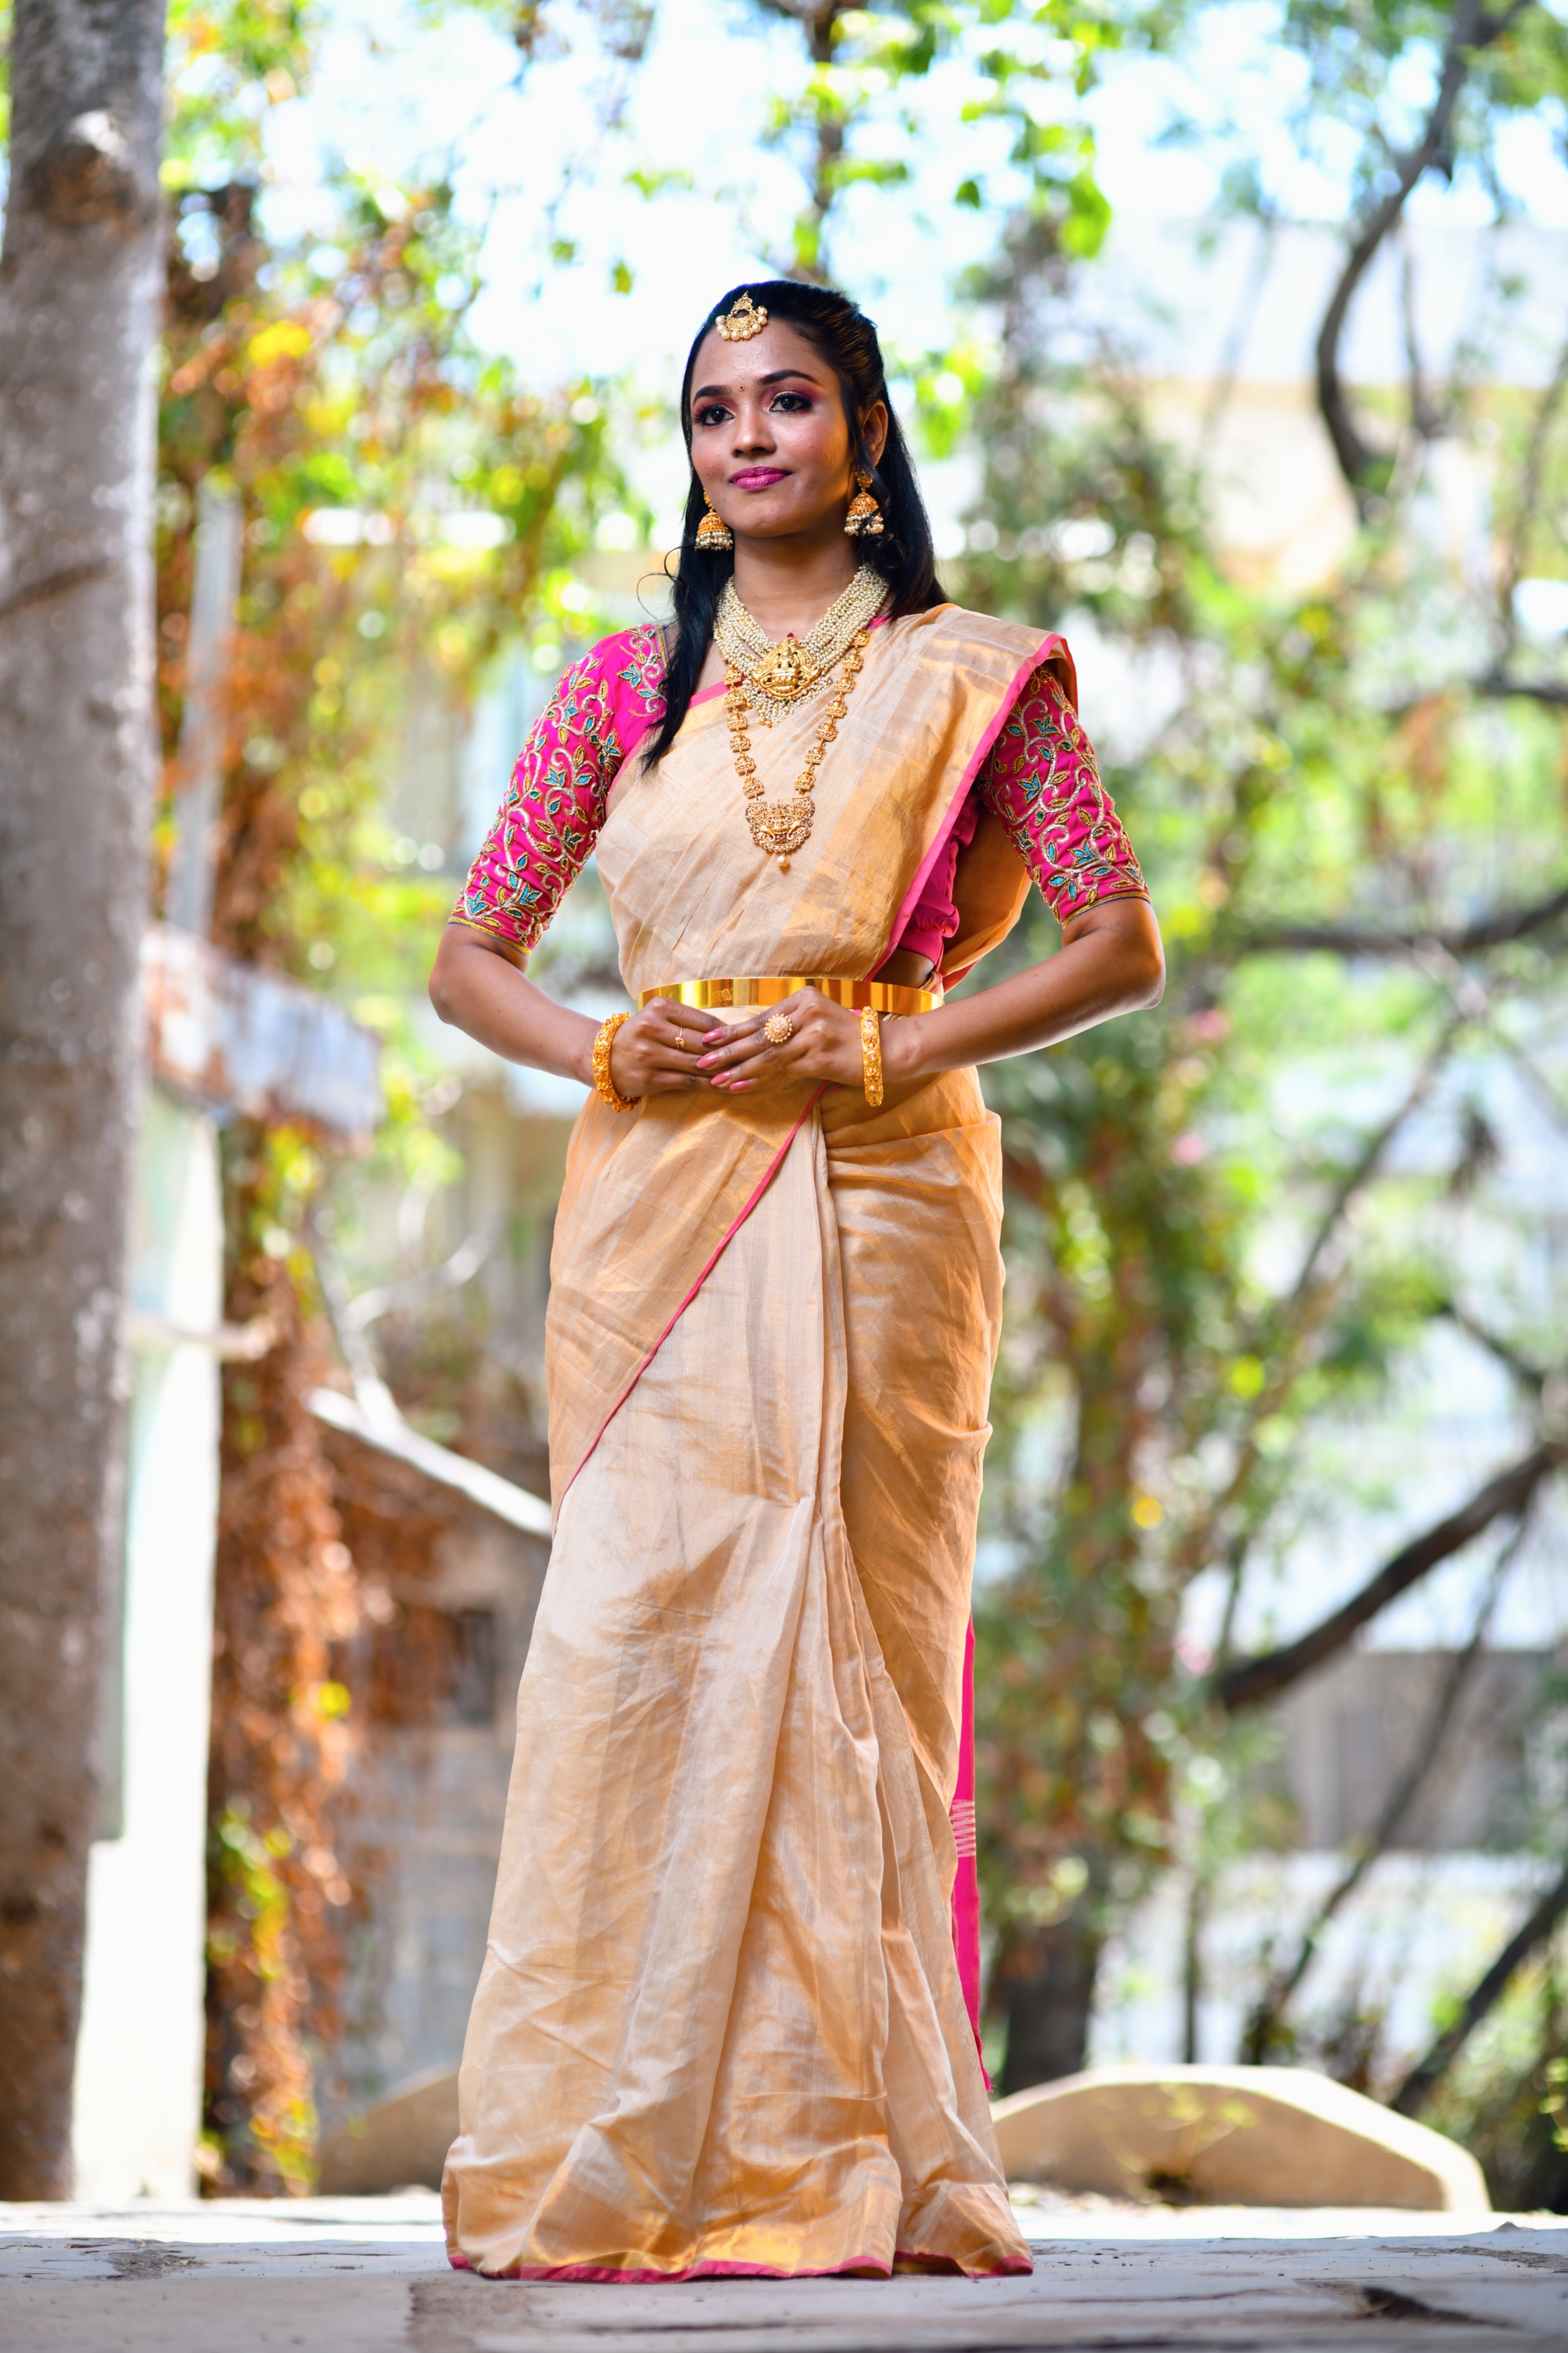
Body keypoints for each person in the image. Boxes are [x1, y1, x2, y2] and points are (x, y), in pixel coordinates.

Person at [429, 279, 1163, 2283]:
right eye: (712, 409)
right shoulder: (618, 691)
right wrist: (605, 1045)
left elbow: (1116, 944)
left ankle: (861, 2153)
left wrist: (886, 1043)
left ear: (863, 434)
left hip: (882, 1187)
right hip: (656, 1198)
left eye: (786, 399)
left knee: (852, 1652)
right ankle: (616, 2141)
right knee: (635, 1640)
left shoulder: (972, 679)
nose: (746, 434)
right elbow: (471, 958)